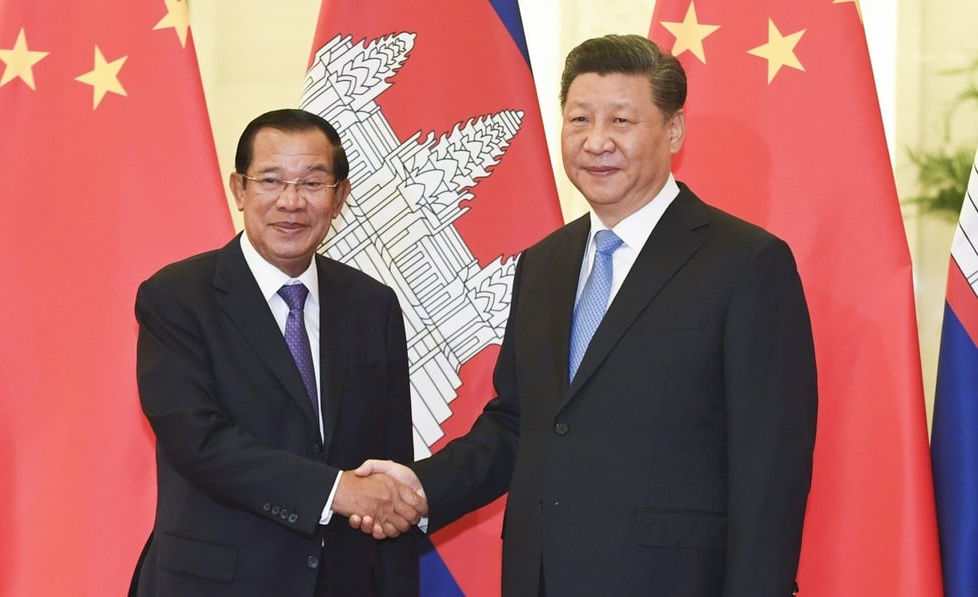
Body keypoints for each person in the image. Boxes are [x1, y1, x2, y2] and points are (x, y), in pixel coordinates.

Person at [353, 34, 817, 596]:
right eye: (579, 120)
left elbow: (769, 464)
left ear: (673, 131)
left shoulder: (745, 263)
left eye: (621, 121)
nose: (596, 142)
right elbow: (520, 423)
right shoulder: (543, 263)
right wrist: (419, 487)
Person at [129, 108, 425, 597]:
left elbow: (386, 460)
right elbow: (198, 440)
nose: (291, 202)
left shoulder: (372, 304)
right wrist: (334, 491)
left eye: (312, 183)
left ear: (340, 196)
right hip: (215, 584)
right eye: (270, 180)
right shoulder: (177, 297)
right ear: (239, 189)